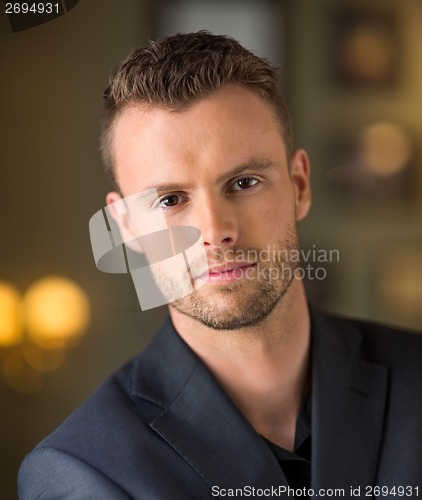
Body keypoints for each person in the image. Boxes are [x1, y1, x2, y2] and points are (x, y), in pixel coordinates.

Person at [18, 31, 422, 499]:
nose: (214, 231)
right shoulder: (81, 470)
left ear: (299, 185)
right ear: (126, 226)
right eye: (170, 199)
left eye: (245, 182)